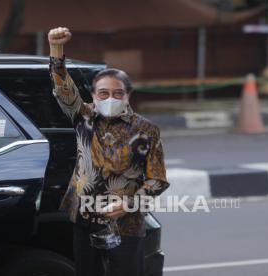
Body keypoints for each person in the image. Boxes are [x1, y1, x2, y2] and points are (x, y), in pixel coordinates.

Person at [48, 27, 170, 276]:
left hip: (127, 225)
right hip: (85, 219)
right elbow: (63, 88)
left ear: (128, 96)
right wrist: (56, 49)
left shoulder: (146, 129)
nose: (110, 98)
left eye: (118, 93)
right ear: (93, 95)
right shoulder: (83, 116)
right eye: (103, 93)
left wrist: (129, 204)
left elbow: (157, 179)